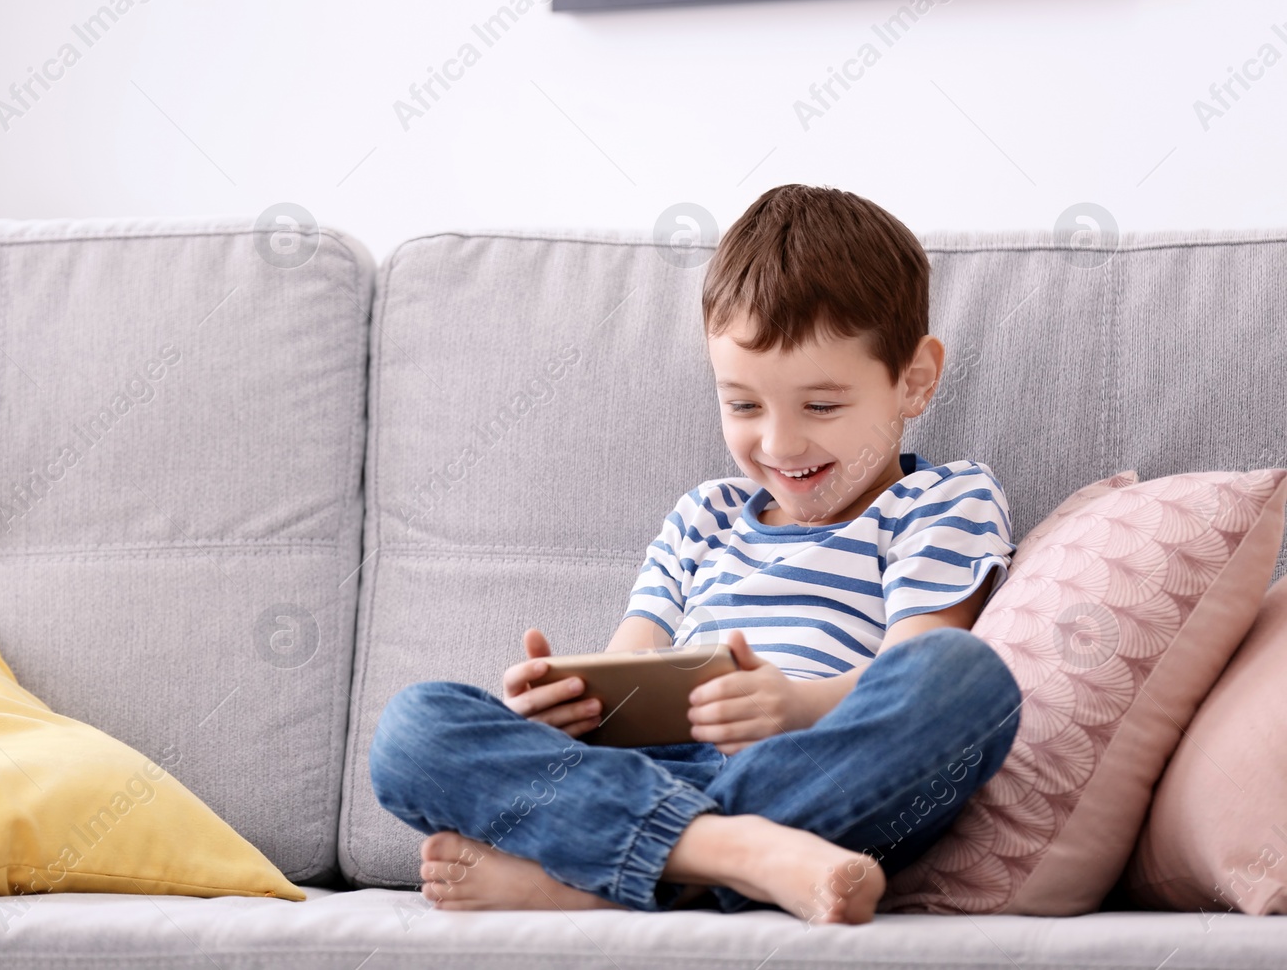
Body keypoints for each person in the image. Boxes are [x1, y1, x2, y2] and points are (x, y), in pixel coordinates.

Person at [368, 183, 1023, 925]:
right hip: (649, 768)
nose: (778, 444)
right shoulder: (703, 515)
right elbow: (632, 670)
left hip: (807, 764)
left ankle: (601, 874)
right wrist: (567, 710)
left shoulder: (941, 500)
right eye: (744, 405)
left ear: (914, 379)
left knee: (970, 682)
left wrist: (792, 703)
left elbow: (916, 666)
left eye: (821, 406)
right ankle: (733, 855)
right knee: (413, 727)